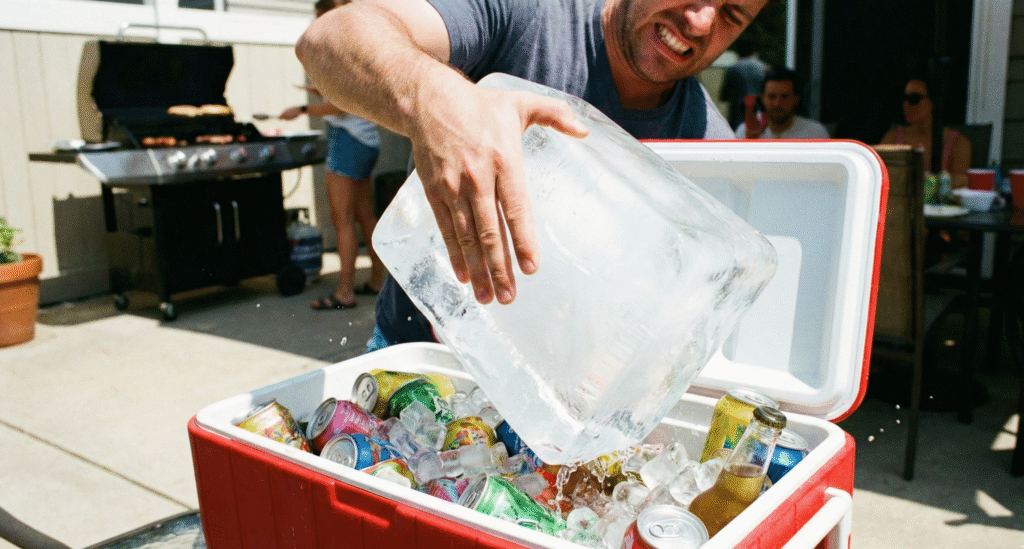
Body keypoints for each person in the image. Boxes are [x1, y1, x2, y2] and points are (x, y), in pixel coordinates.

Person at [296, 0, 771, 348]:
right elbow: (330, 39)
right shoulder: (529, 13)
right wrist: (433, 98)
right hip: (417, 354)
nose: (702, 20)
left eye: (731, 14)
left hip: (559, 405)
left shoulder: (710, 149)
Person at [279, 0, 388, 310]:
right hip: (367, 139)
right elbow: (350, 95)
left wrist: (302, 108)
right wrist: (322, 92)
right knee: (365, 215)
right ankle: (377, 279)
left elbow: (341, 106)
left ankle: (344, 293)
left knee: (342, 220)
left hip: (348, 140)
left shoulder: (337, 49)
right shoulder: (358, 45)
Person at [879, 77, 971, 190]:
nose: (906, 104)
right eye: (904, 98)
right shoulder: (892, 138)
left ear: (932, 102)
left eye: (914, 99)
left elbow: (962, 183)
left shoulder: (958, 143)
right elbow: (881, 177)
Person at [734, 67, 829, 139]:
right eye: (772, 96)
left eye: (785, 97)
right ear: (762, 98)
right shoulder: (744, 131)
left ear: (796, 99)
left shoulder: (815, 133)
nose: (777, 103)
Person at [718, 38, 770, 130]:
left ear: (738, 51)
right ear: (754, 51)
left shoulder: (733, 69)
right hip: (759, 113)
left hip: (737, 114)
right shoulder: (764, 68)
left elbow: (724, 95)